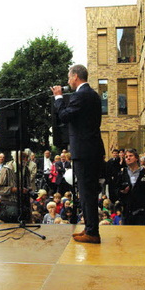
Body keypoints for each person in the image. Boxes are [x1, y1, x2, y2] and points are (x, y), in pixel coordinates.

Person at [52, 64, 105, 244]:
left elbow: (65, 116)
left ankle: (92, 232)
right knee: (86, 191)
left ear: (75, 77)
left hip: (85, 150)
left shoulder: (81, 95)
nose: (68, 81)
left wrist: (58, 98)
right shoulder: (93, 95)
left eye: (69, 77)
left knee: (87, 192)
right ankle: (90, 228)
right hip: (91, 149)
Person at [0, 152, 31, 223]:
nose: (26, 160)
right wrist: (13, 189)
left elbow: (28, 185)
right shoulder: (6, 169)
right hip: (10, 205)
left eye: (27, 157)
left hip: (24, 205)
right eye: (23, 157)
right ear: (17, 158)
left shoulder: (26, 169)